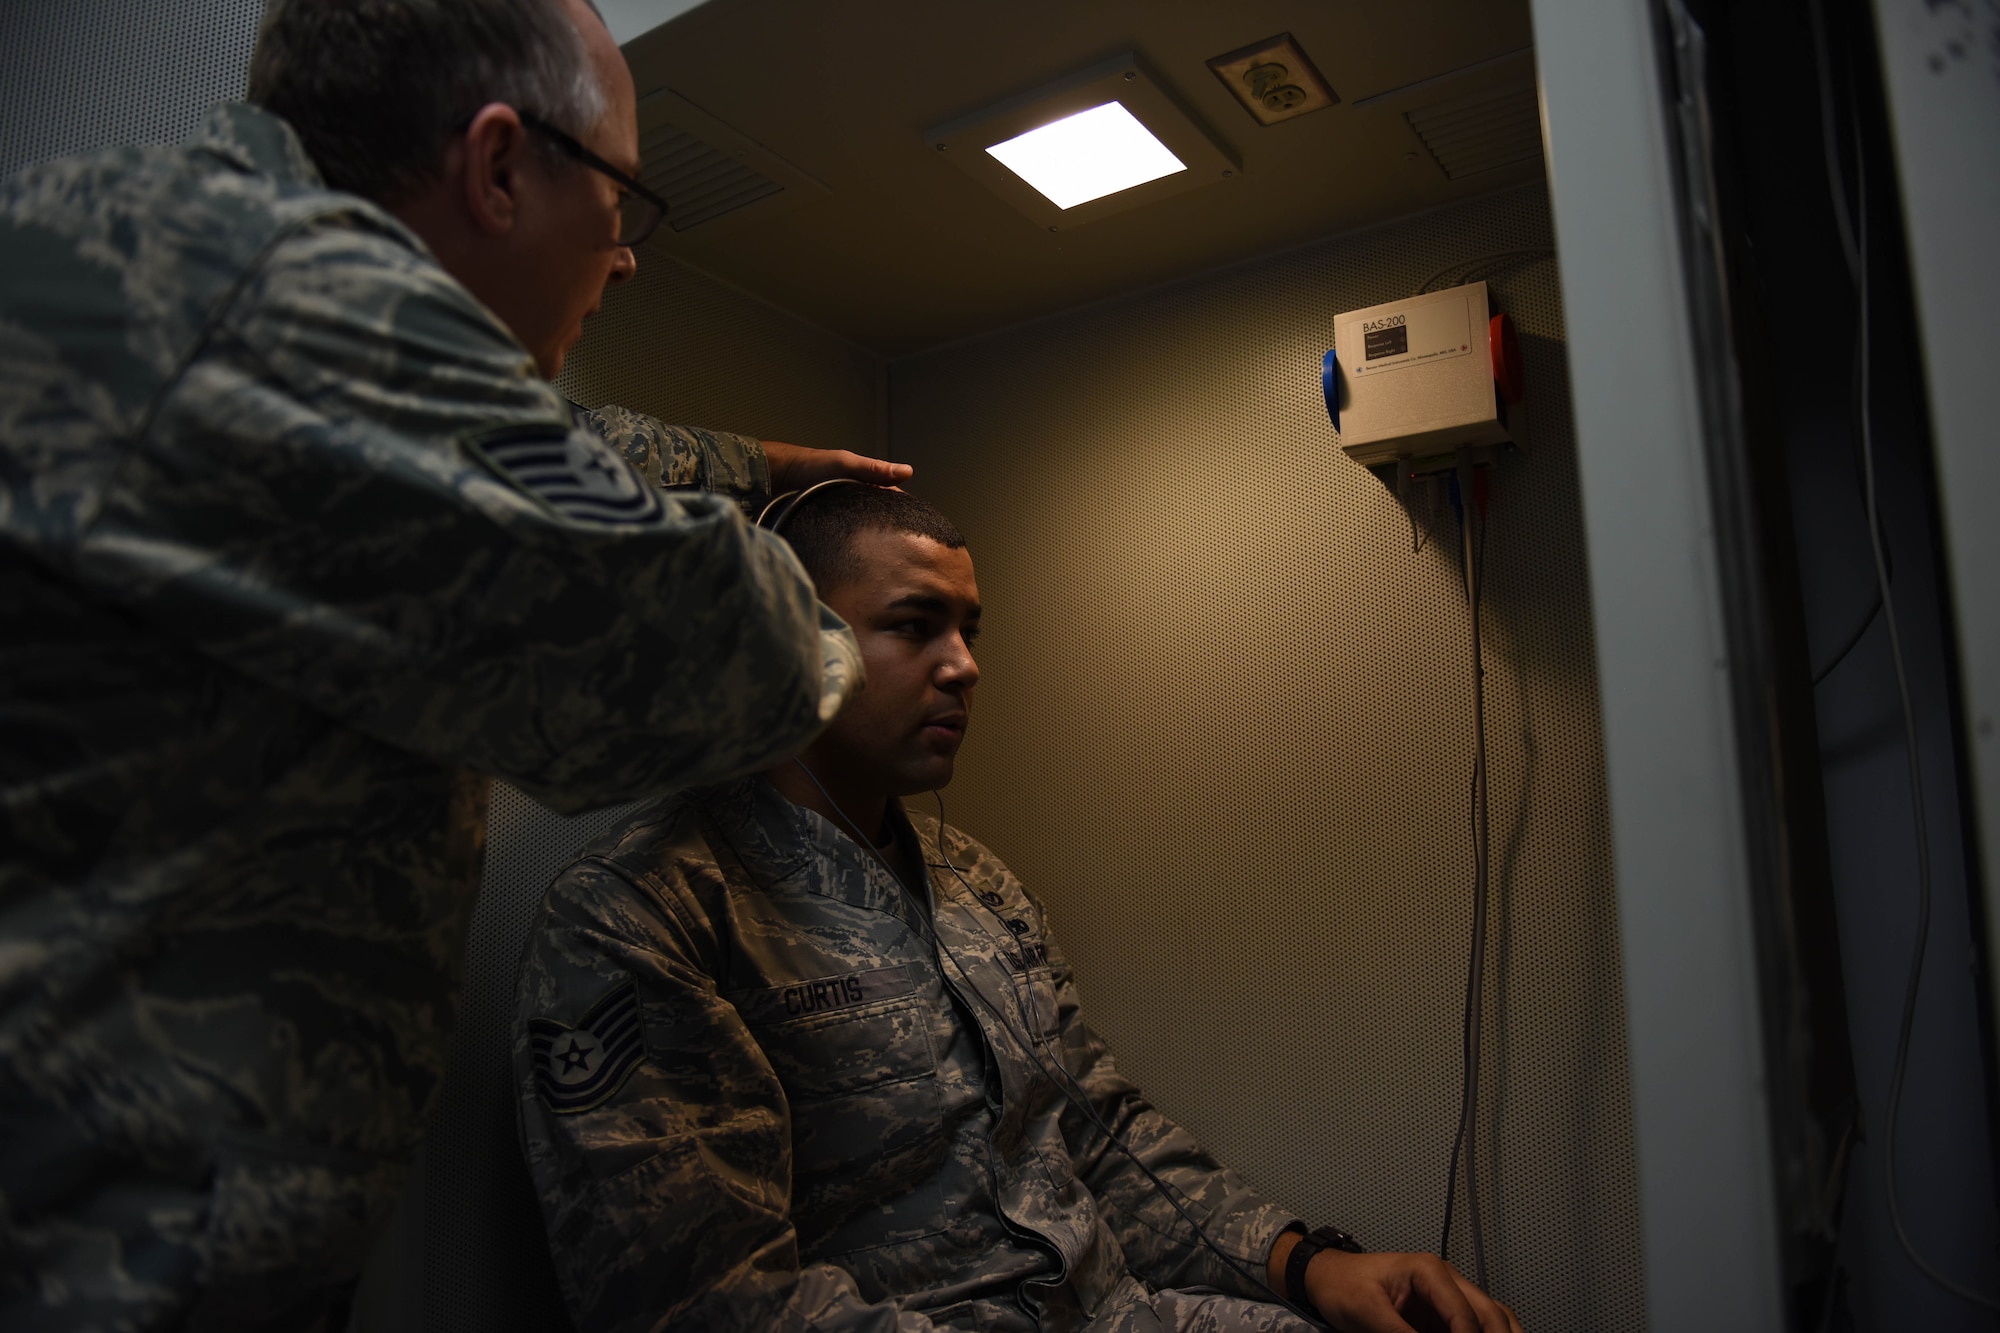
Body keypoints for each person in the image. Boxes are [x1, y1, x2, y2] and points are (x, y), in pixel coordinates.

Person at [0, 0, 906, 1326]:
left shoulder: (145, 243)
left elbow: (527, 435)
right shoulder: (295, 298)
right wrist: (824, 592)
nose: (629, 257)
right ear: (497, 164)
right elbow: (730, 657)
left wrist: (759, 467)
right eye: (622, 197)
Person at [514, 485, 1526, 1333]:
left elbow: (1101, 1136)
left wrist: (1303, 1264)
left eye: (969, 630)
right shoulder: (647, 913)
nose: (964, 666)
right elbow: (705, 1304)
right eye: (914, 626)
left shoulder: (975, 884)